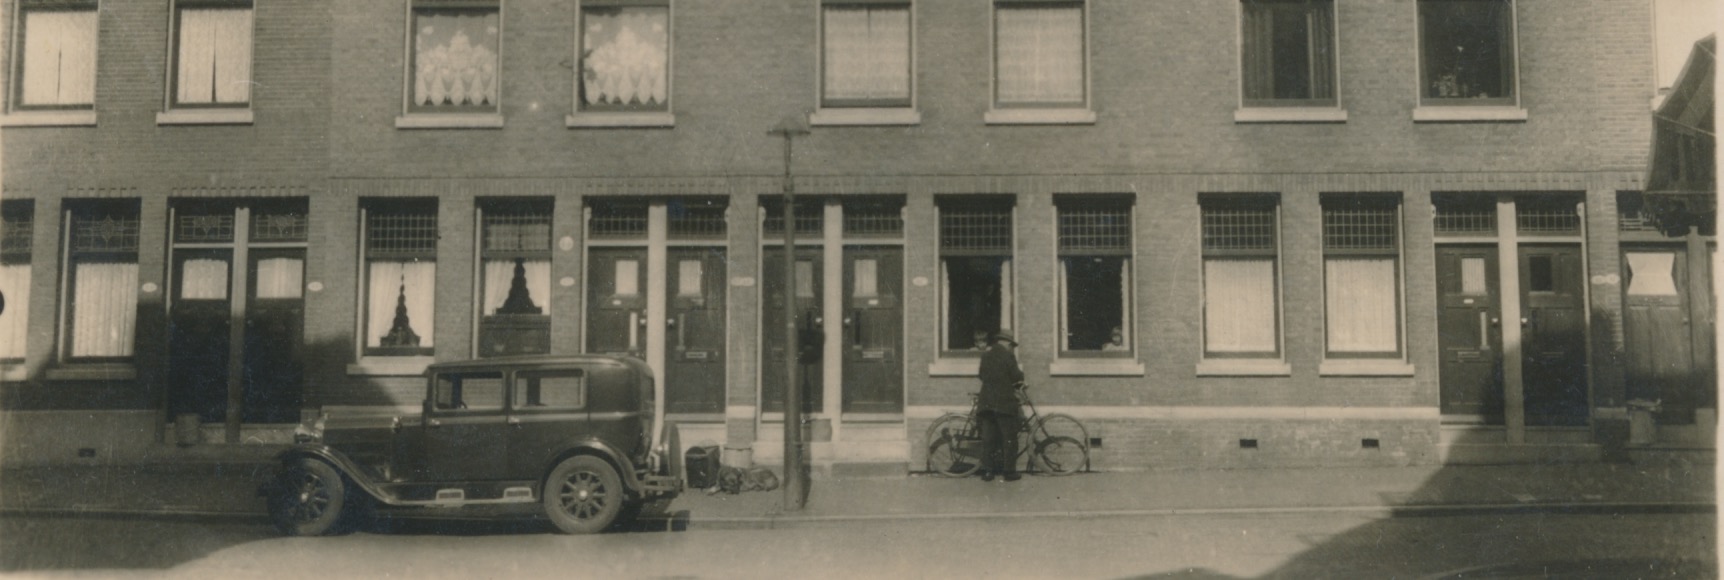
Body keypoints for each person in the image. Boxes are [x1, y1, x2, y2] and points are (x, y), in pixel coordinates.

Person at [976, 329, 1025, 482]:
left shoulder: (986, 355)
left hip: (987, 403)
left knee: (988, 439)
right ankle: (1009, 472)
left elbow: (981, 375)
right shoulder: (1008, 356)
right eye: (1011, 345)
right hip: (1004, 403)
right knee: (1009, 438)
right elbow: (1016, 376)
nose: (1012, 348)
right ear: (1006, 343)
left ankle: (988, 472)